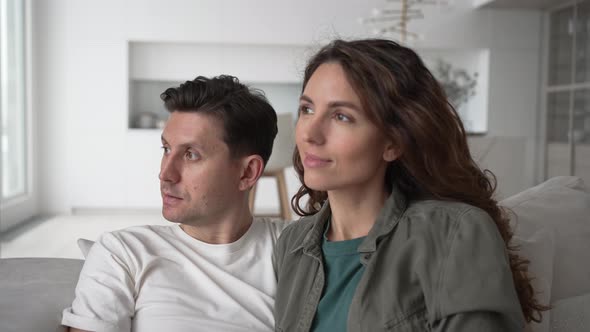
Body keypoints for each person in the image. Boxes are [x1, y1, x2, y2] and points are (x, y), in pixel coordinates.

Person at [273, 39, 547, 331]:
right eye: (307, 109)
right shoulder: (292, 245)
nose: (310, 134)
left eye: (341, 116)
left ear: (393, 143)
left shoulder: (454, 233)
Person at [62, 75, 286, 332]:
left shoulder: (294, 251)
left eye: (191, 154)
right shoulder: (123, 252)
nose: (165, 174)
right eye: (166, 149)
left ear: (247, 173)